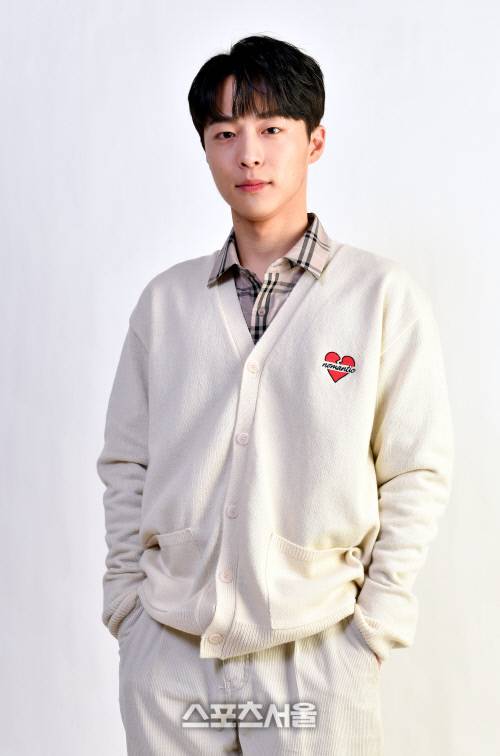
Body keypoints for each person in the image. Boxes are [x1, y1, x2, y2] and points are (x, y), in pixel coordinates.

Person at [96, 34, 454, 755]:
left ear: (314, 141)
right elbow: (126, 464)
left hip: (316, 655)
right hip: (172, 656)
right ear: (206, 149)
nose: (248, 155)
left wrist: (372, 630)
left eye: (270, 129)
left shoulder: (378, 296)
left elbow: (415, 470)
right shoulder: (165, 304)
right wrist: (129, 610)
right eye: (225, 134)